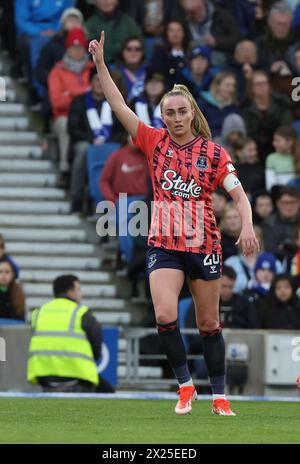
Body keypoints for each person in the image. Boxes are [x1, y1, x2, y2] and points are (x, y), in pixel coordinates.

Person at [89, 31, 259, 416]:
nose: (177, 118)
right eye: (170, 113)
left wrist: (246, 225)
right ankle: (185, 388)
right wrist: (100, 65)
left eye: (183, 112)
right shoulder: (153, 142)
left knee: (208, 323)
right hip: (163, 242)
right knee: (164, 315)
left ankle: (219, 395)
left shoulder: (214, 154)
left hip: (204, 243)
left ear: (192, 113)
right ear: (162, 117)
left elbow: (239, 195)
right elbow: (118, 105)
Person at [27, 275, 115, 393]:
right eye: (78, 290)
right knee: (109, 392)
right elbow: (96, 345)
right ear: (70, 292)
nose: (81, 294)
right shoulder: (81, 312)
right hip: (77, 375)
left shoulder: (38, 313)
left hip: (43, 375)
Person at [67, 67, 122, 213]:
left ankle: (112, 202)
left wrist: (108, 141)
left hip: (110, 144)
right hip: (87, 142)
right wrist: (92, 140)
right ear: (90, 82)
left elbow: (122, 129)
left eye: (102, 80)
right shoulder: (79, 101)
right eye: (96, 79)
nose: (99, 83)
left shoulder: (116, 103)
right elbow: (73, 128)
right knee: (83, 150)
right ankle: (77, 197)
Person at [48, 28, 94, 187]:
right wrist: (83, 92)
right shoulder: (57, 71)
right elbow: (57, 102)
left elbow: (97, 95)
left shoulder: (92, 68)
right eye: (73, 47)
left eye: (80, 47)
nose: (77, 51)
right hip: (64, 116)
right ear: (67, 48)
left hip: (89, 116)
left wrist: (70, 94)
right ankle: (64, 170)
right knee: (64, 124)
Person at [242, 70, 294, 160]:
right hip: (255, 149)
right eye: (258, 84)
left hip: (278, 146)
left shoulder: (281, 104)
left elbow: (287, 127)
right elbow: (247, 133)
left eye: (264, 83)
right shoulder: (245, 107)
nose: (262, 87)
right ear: (251, 88)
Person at [85, 0, 143, 64]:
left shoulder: (129, 23)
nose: (107, 2)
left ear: (117, 1)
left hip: (126, 67)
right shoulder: (90, 24)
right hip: (100, 67)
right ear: (96, 2)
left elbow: (140, 45)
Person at [197, 72, 240, 138]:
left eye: (233, 85)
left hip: (229, 142)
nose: (231, 89)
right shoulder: (204, 102)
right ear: (217, 86)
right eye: (227, 85)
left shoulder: (234, 106)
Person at [150, 20, 190, 90]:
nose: (175, 33)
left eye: (179, 30)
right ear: (166, 33)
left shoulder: (191, 53)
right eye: (171, 30)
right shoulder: (159, 53)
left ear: (184, 33)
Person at [262, 186, 300, 258]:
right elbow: (271, 249)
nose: (289, 206)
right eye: (285, 202)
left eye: (293, 202)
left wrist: (284, 246)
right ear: (278, 203)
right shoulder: (269, 223)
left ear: (299, 203)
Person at [110, 36, 148, 103]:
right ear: (122, 52)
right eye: (129, 49)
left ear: (142, 52)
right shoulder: (114, 73)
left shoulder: (149, 71)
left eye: (138, 49)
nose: (133, 52)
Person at [265, 126, 299, 191]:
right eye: (274, 140)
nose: (274, 144)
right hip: (280, 197)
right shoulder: (271, 158)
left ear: (290, 142)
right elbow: (270, 186)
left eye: (278, 140)